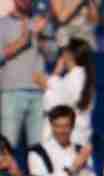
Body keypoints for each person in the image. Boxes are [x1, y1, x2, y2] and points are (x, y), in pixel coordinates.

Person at [0, 0, 46, 153]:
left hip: (39, 93)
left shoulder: (40, 23)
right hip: (12, 92)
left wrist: (40, 37)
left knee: (39, 149)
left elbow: (52, 54)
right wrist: (22, 41)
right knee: (7, 147)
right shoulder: (2, 24)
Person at [41, 39, 92, 152]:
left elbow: (51, 104)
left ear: (69, 55)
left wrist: (55, 73)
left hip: (69, 136)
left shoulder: (73, 78)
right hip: (80, 134)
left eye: (65, 51)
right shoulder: (82, 77)